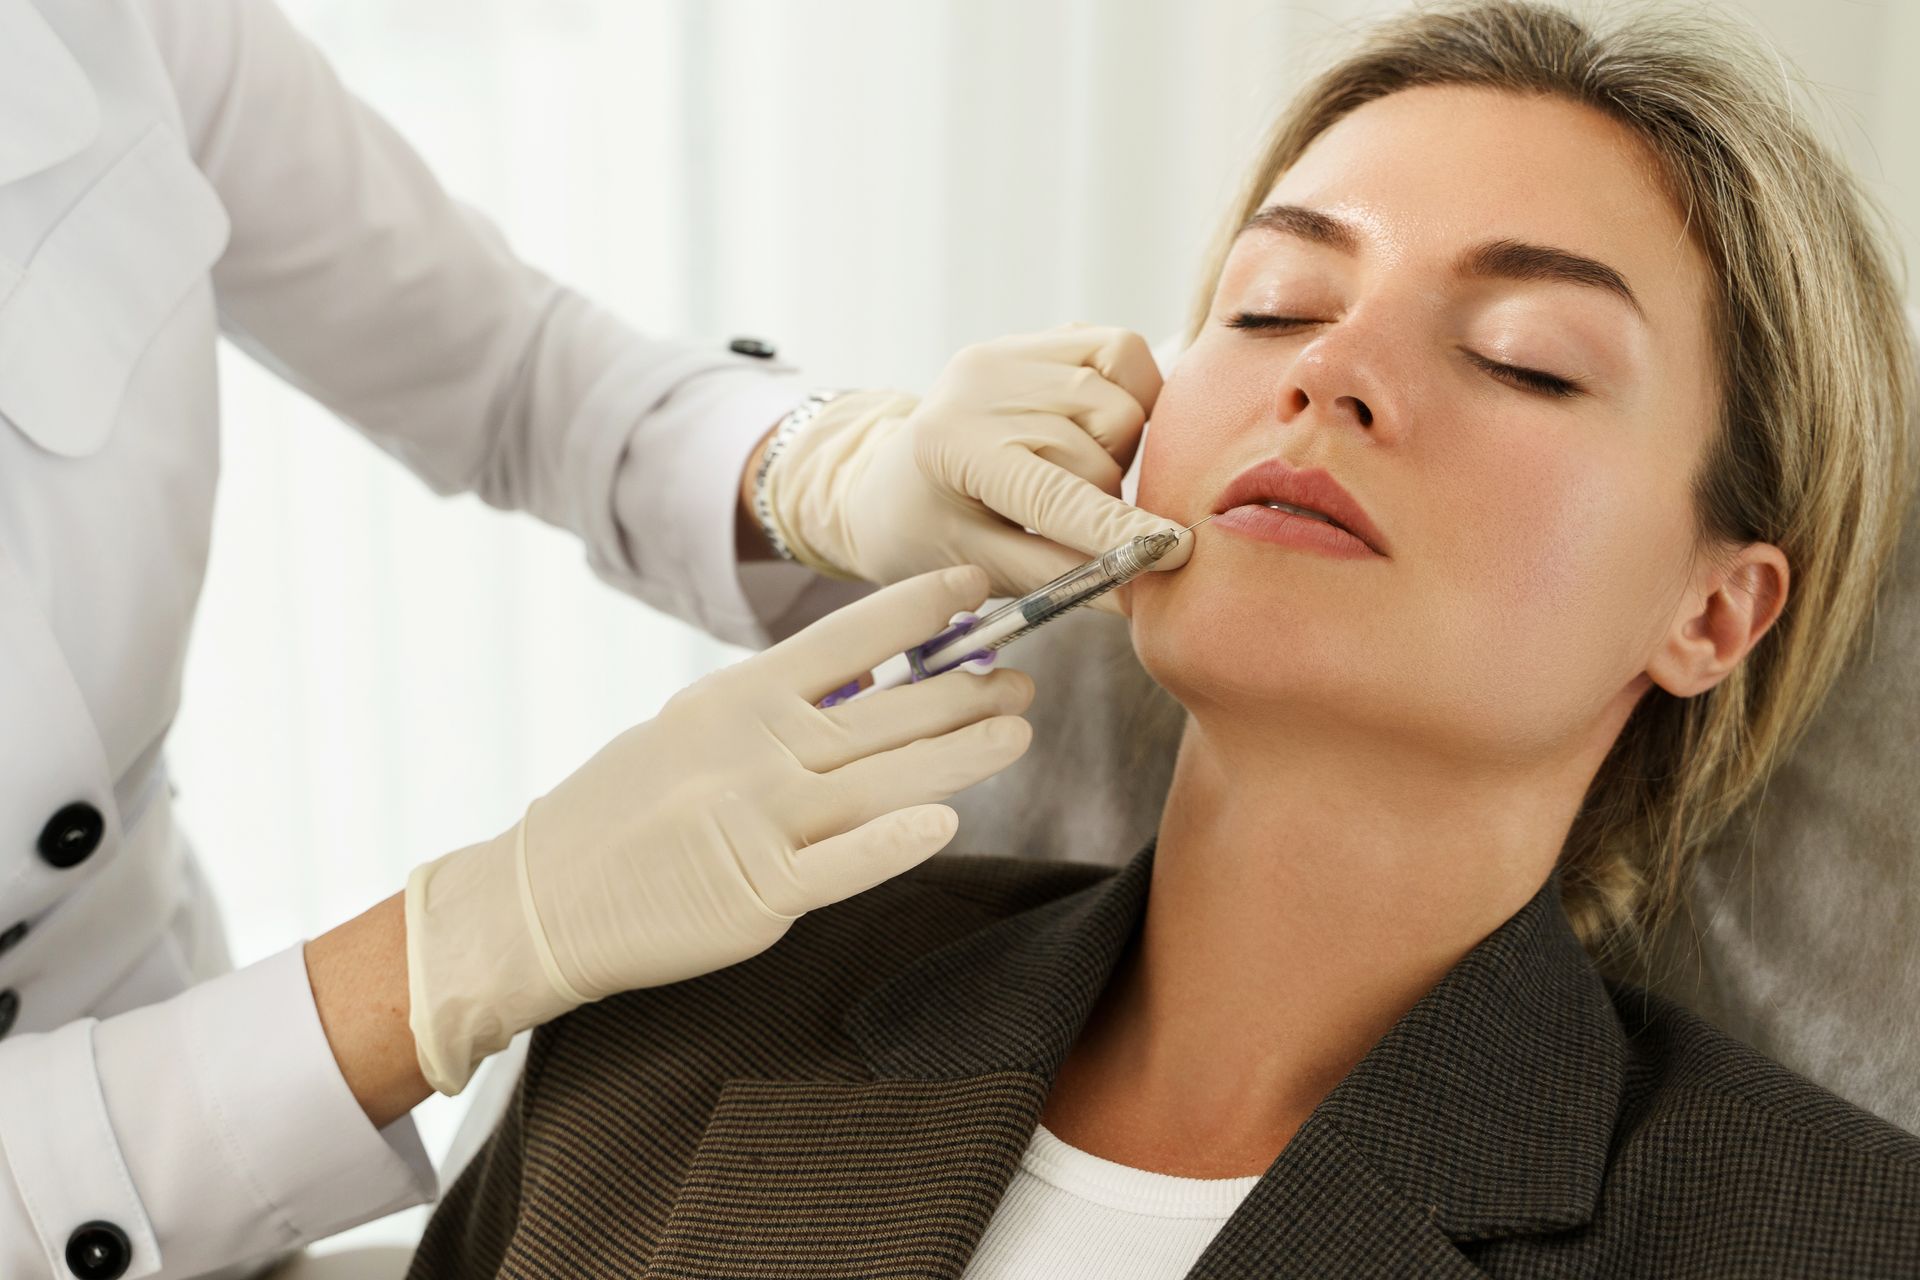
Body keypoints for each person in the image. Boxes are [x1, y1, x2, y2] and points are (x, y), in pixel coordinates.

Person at [406, 3, 1920, 1276]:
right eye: (1270, 306)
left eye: (1524, 359)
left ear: (1714, 613)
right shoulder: (686, 1017)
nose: (1331, 369)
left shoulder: (1830, 1238)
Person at [0, 0, 1193, 1276]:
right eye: (1278, 310)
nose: (1324, 384)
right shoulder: (658, 1099)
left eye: (1452, 353)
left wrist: (827, 467)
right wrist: (451, 955)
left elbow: (514, 369)